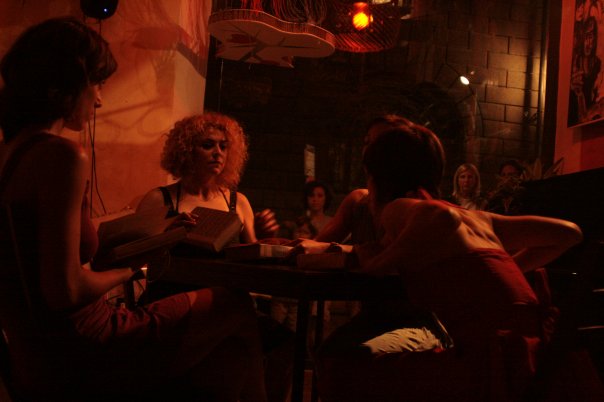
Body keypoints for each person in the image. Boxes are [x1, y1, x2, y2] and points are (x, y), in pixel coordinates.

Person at [0, 17, 267, 402]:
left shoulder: (9, 156)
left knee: (223, 351)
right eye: (97, 84)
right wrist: (133, 268)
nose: (99, 100)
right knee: (234, 304)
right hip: (84, 346)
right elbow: (66, 291)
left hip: (32, 354)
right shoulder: (62, 156)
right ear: (65, 86)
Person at [295, 119, 583, 402]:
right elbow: (569, 234)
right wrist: (499, 271)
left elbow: (439, 218)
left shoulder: (398, 207)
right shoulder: (475, 217)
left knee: (341, 367)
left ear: (378, 178)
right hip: (535, 358)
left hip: (488, 365)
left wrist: (380, 263)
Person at [135, 111, 291, 402]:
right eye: (207, 145)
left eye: (223, 146)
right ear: (186, 150)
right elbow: (136, 258)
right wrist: (168, 233)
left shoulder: (237, 202)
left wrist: (263, 238)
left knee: (283, 342)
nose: (218, 152)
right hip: (175, 302)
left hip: (229, 302)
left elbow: (252, 262)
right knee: (240, 334)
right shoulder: (161, 200)